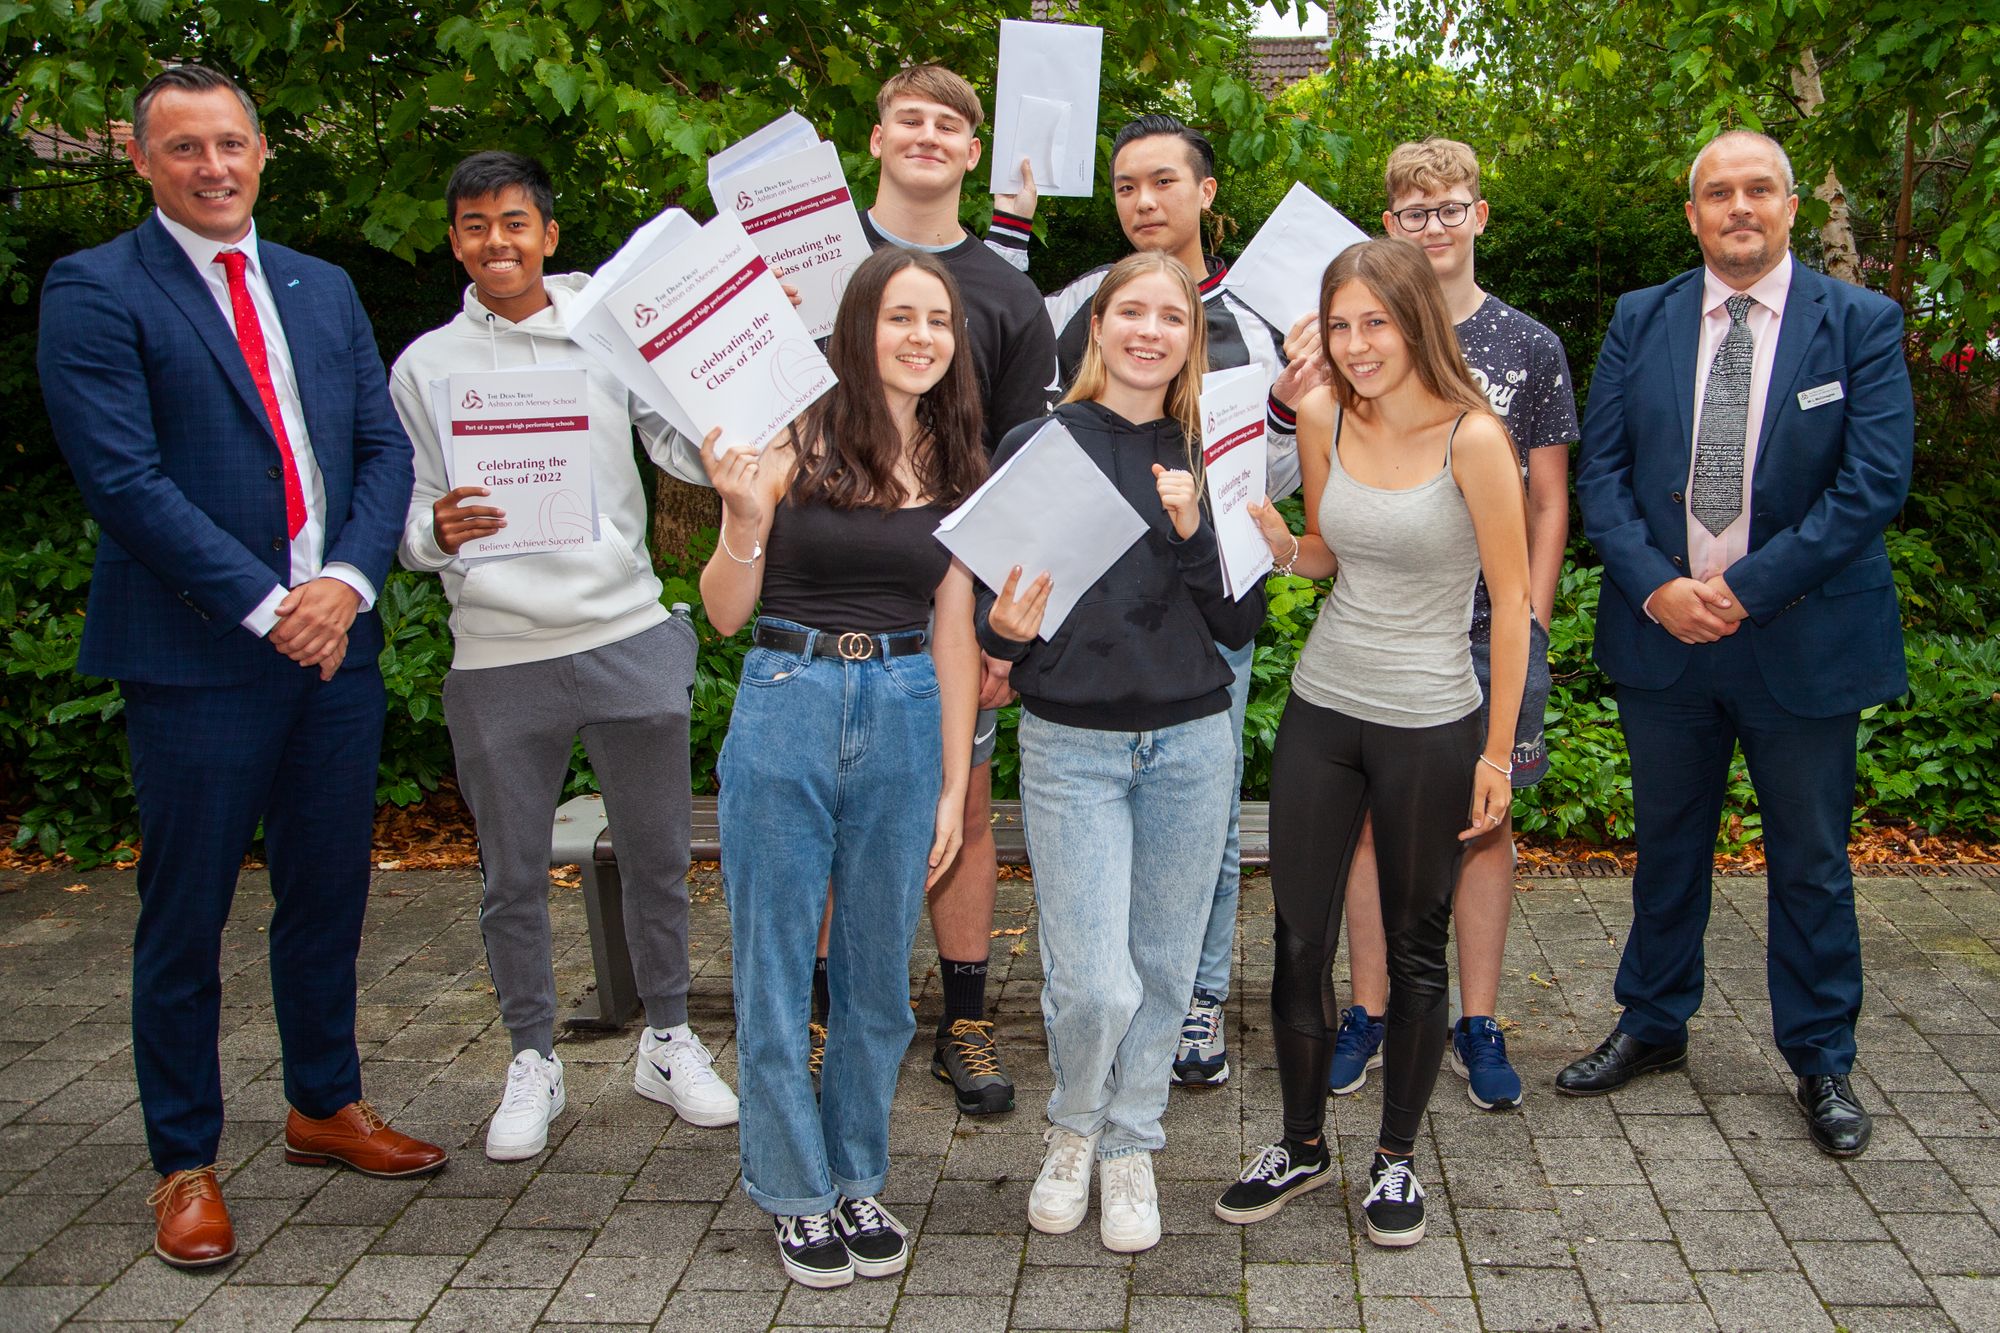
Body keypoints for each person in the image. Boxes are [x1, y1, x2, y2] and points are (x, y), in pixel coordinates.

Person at [36, 64, 442, 1269]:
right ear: (140, 160)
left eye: (228, 144)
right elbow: (123, 481)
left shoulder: (320, 285)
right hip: (199, 657)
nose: (211, 167)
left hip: (335, 649)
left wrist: (347, 583)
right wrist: (272, 608)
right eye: (183, 148)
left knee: (327, 894)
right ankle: (184, 1160)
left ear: (262, 151)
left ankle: (323, 1104)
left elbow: (380, 448)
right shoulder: (96, 289)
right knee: (187, 915)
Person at [1563, 130, 1913, 1158]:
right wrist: (1660, 589)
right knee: (1667, 844)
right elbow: (1601, 477)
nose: (1738, 207)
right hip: (1664, 637)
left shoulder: (1858, 322)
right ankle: (1652, 1020)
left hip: (1801, 638)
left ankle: (1820, 1055)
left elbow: (1872, 483)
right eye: (1717, 193)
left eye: (1759, 189)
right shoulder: (1641, 319)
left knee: (1809, 861)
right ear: (1692, 215)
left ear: (1792, 206)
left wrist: (1741, 590)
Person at [387, 151, 739, 1162]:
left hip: (625, 632)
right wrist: (434, 534)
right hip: (498, 654)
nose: (495, 241)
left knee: (659, 858)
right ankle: (532, 1055)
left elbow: (680, 448)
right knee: (509, 875)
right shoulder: (424, 366)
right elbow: (408, 515)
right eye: (474, 225)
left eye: (513, 222)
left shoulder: (604, 330)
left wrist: (730, 418)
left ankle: (667, 1037)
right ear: (453, 241)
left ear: (546, 233)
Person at [988, 112, 1323, 1087]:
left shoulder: (1264, 316)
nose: (1142, 200)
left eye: (1163, 181)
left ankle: (1196, 999)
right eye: (1126, 185)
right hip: (1090, 625)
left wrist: (1279, 413)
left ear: (1206, 194)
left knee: (1201, 827)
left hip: (1208, 608)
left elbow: (1265, 487)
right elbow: (1013, 374)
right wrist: (1009, 227)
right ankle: (1104, 1008)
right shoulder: (1084, 300)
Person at [1217, 238, 1529, 1247]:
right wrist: (1282, 547)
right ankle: (1301, 1143)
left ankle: (1395, 1158)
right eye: (1339, 325)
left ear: (1416, 321)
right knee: (1297, 940)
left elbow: (1512, 603)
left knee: (1413, 947)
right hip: (1325, 706)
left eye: (1375, 323)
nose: (1355, 344)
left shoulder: (1474, 438)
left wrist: (1494, 754)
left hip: (1431, 720)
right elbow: (1326, 553)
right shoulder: (1322, 414)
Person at [700, 247, 983, 1288]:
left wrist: (952, 784)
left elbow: (954, 630)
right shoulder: (792, 437)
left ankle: (856, 1172)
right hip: (790, 693)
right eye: (900, 316)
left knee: (877, 981)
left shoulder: (957, 461)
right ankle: (792, 1188)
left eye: (937, 320)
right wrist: (742, 520)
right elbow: (724, 611)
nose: (920, 337)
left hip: (905, 707)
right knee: (776, 967)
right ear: (857, 326)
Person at [980, 252, 1263, 1254]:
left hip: (1190, 741)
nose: (1150, 330)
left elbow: (1243, 618)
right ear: (1096, 325)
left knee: (1164, 964)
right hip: (1072, 746)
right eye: (1130, 311)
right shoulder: (1036, 444)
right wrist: (1003, 632)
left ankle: (1131, 1141)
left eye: (1171, 316)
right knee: (1094, 979)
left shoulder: (1211, 451)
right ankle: (1073, 1126)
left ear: (1191, 337)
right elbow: (995, 616)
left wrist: (1193, 530)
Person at [1314, 138, 1578, 1112]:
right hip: (1384, 629)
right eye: (1414, 212)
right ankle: (1370, 1009)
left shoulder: (1527, 346)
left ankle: (1477, 1020)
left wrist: (1530, 618)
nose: (1434, 226)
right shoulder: (1364, 341)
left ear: (1479, 215)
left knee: (1483, 823)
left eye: (1450, 207)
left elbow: (1547, 497)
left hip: (1486, 631)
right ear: (1389, 223)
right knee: (1369, 828)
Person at [824, 64, 1058, 1114]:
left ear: (973, 151)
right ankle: (830, 1013)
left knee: (963, 803)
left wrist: (1004, 636)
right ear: (876, 139)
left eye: (948, 124)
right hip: (827, 593)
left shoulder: (1007, 294)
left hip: (952, 599)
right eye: (907, 118)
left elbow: (1026, 468)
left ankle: (963, 1016)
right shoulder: (814, 261)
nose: (927, 134)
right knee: (834, 809)